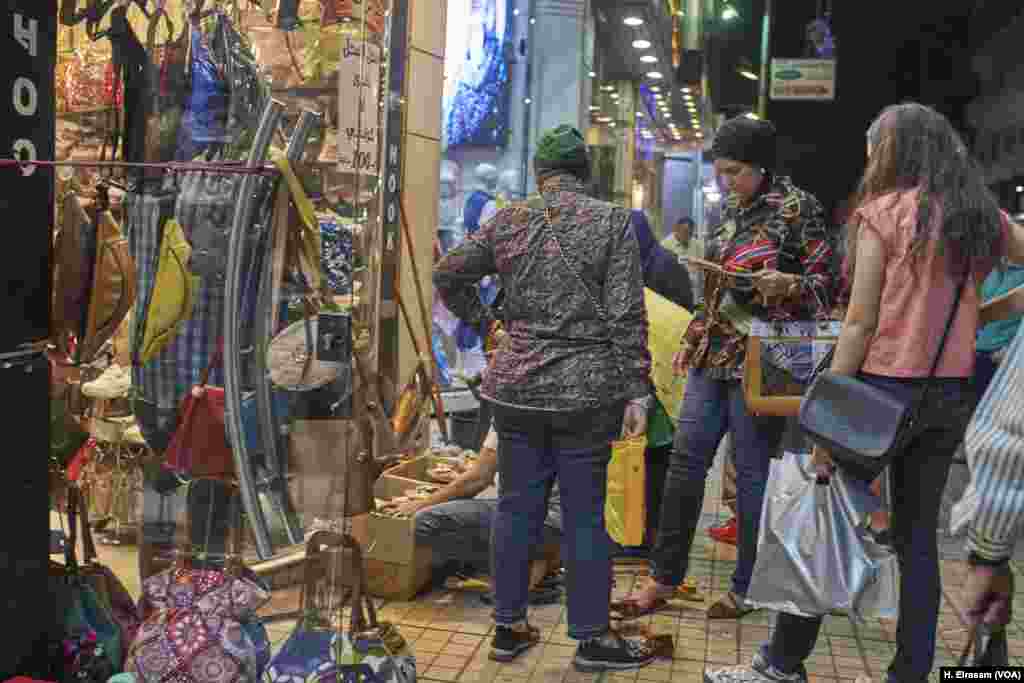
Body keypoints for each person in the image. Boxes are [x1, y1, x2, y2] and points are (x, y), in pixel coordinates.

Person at [706, 102, 1024, 682]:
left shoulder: (883, 213)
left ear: (894, 151)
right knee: (918, 541)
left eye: (874, 146)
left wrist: (828, 409)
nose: (870, 158)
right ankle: (908, 675)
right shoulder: (982, 217)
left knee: (819, 516)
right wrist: (979, 316)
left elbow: (858, 323)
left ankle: (780, 665)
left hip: (878, 393)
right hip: (948, 396)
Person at [434, 124, 654, 671]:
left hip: (516, 391)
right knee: (583, 515)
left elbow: (447, 273)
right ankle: (591, 638)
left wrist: (489, 326)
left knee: (515, 507)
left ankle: (508, 628)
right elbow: (626, 312)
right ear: (585, 173)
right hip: (586, 395)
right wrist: (637, 389)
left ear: (539, 174)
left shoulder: (507, 220)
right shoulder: (610, 222)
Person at [617, 115, 834, 621]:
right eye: (720, 172)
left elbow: (828, 286)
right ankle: (663, 577)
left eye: (734, 171)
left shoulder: (800, 209)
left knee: (753, 472)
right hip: (713, 354)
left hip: (768, 354)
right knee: (685, 465)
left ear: (761, 166)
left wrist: (790, 285)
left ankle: (747, 586)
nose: (725, 182)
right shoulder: (730, 210)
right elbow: (716, 289)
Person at [381, 427, 563, 601]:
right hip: (571, 522)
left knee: (425, 521)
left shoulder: (509, 411)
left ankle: (522, 574)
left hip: (545, 520)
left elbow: (477, 480)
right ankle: (539, 562)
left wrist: (420, 504)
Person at [661, 216, 705, 303]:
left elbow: (702, 266)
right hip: (673, 293)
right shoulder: (665, 245)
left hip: (693, 291)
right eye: (685, 232)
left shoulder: (696, 244)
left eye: (690, 233)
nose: (688, 236)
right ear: (676, 229)